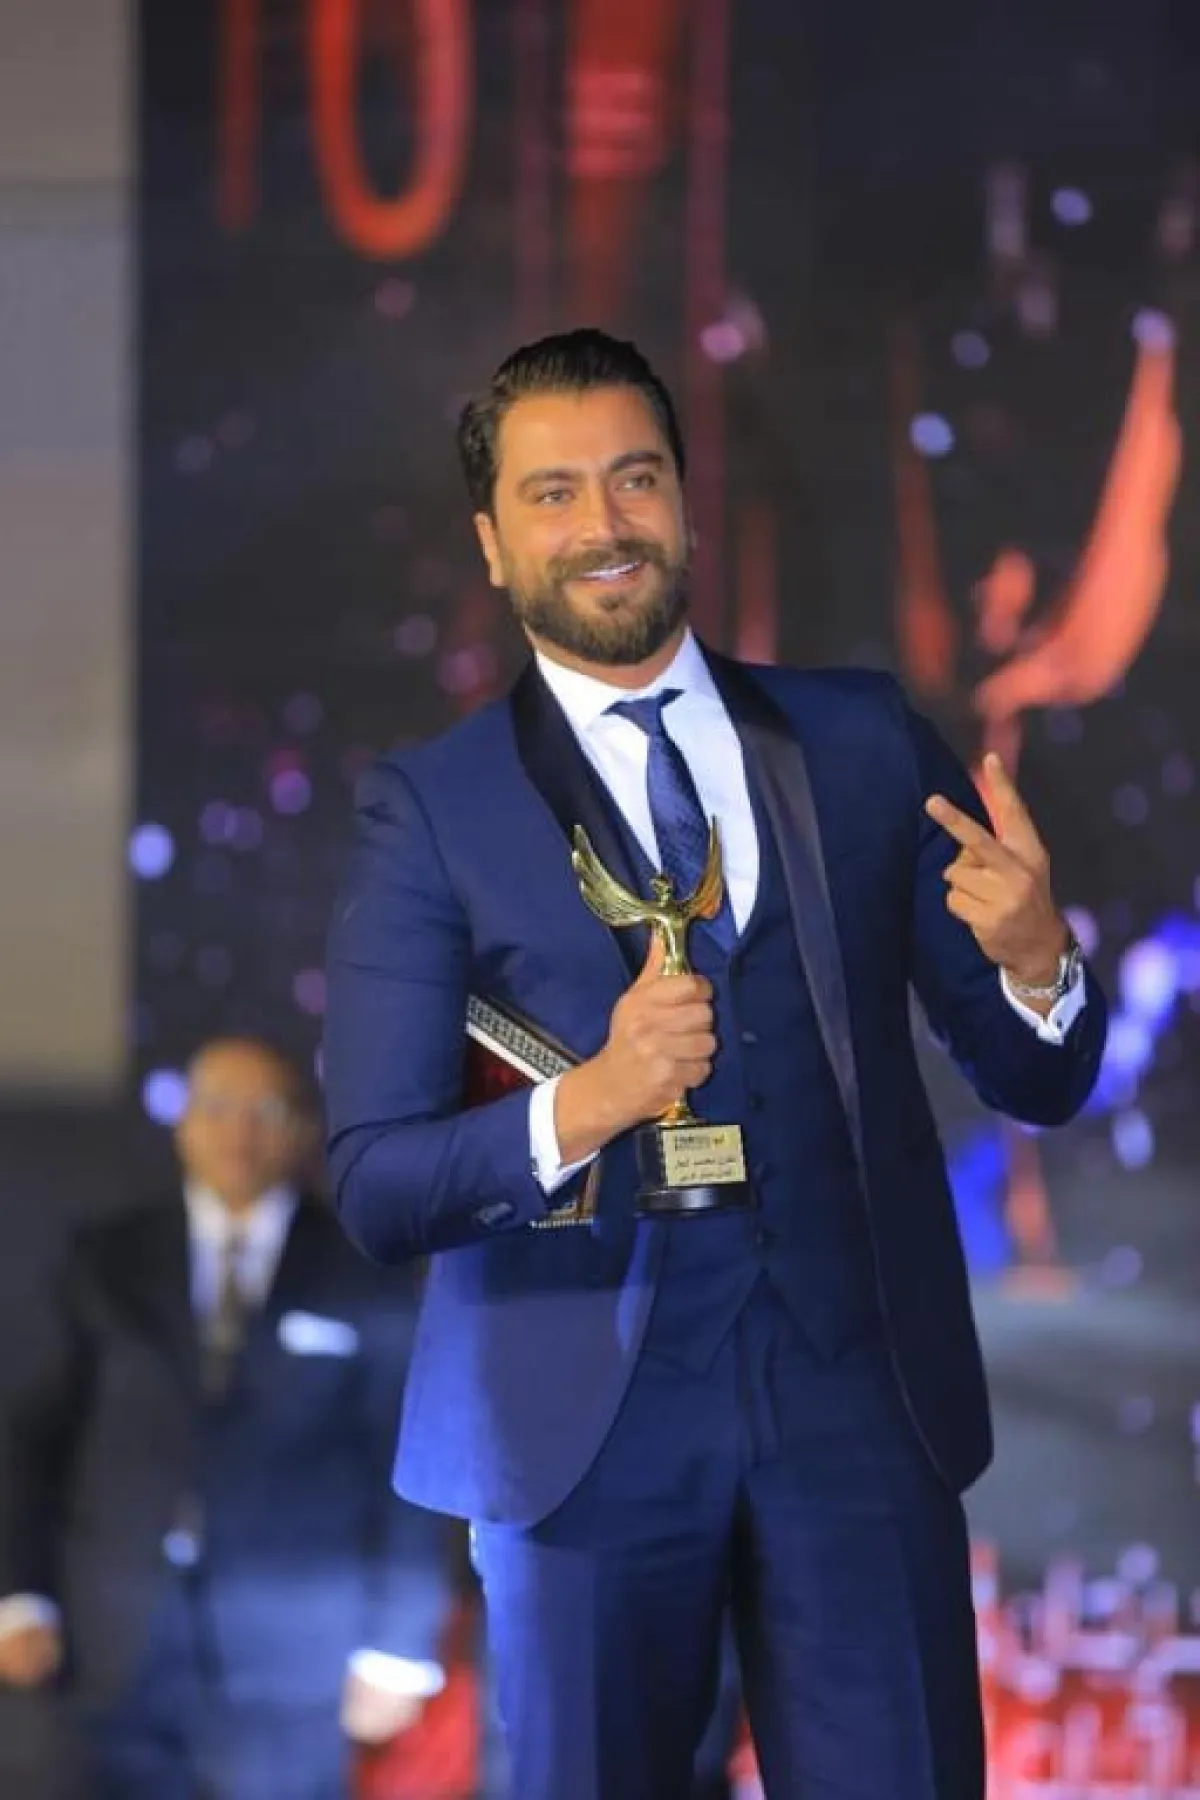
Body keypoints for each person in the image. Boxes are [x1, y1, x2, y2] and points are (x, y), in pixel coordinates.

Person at [322, 328, 1108, 1800]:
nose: (603, 523)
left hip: (856, 1406)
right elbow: (376, 1184)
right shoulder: (431, 809)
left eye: (635, 479)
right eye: (553, 493)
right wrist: (588, 1104)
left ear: (685, 501)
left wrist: (1035, 961)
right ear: (492, 543)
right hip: (575, 1435)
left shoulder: (860, 740)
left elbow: (1037, 1079)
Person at [0, 1037, 435, 1800]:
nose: (240, 1130)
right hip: (109, 1635)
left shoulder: (364, 1271)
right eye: (218, 1106)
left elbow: (407, 1459)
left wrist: (399, 1643)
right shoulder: (103, 1258)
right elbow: (30, 1436)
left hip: (291, 1653)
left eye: (266, 1110)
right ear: (184, 1124)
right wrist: (17, 1594)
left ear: (304, 1128)